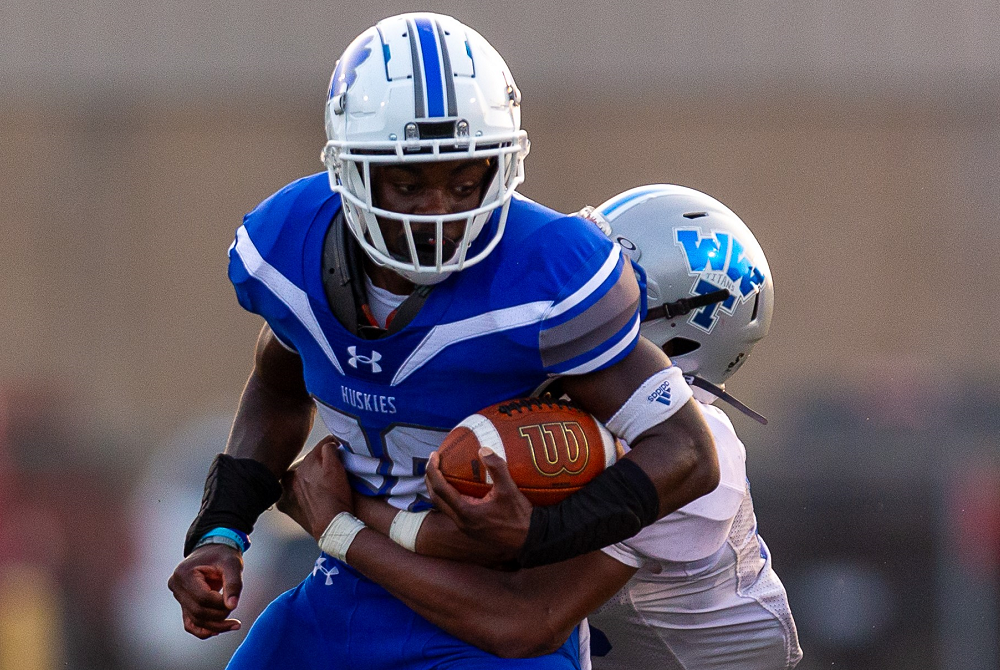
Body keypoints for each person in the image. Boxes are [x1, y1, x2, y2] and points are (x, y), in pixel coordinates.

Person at [167, 13, 718, 670]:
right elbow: (279, 386)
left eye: (465, 181)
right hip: (340, 600)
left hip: (486, 613)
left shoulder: (547, 275)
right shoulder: (285, 250)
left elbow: (686, 450)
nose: (440, 213)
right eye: (411, 183)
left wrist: (542, 534)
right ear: (351, 173)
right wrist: (222, 530)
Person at [279, 184, 802, 669]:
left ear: (672, 327)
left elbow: (523, 621)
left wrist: (341, 522)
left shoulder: (682, 452)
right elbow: (479, 542)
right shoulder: (567, 408)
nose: (577, 287)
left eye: (609, 281)